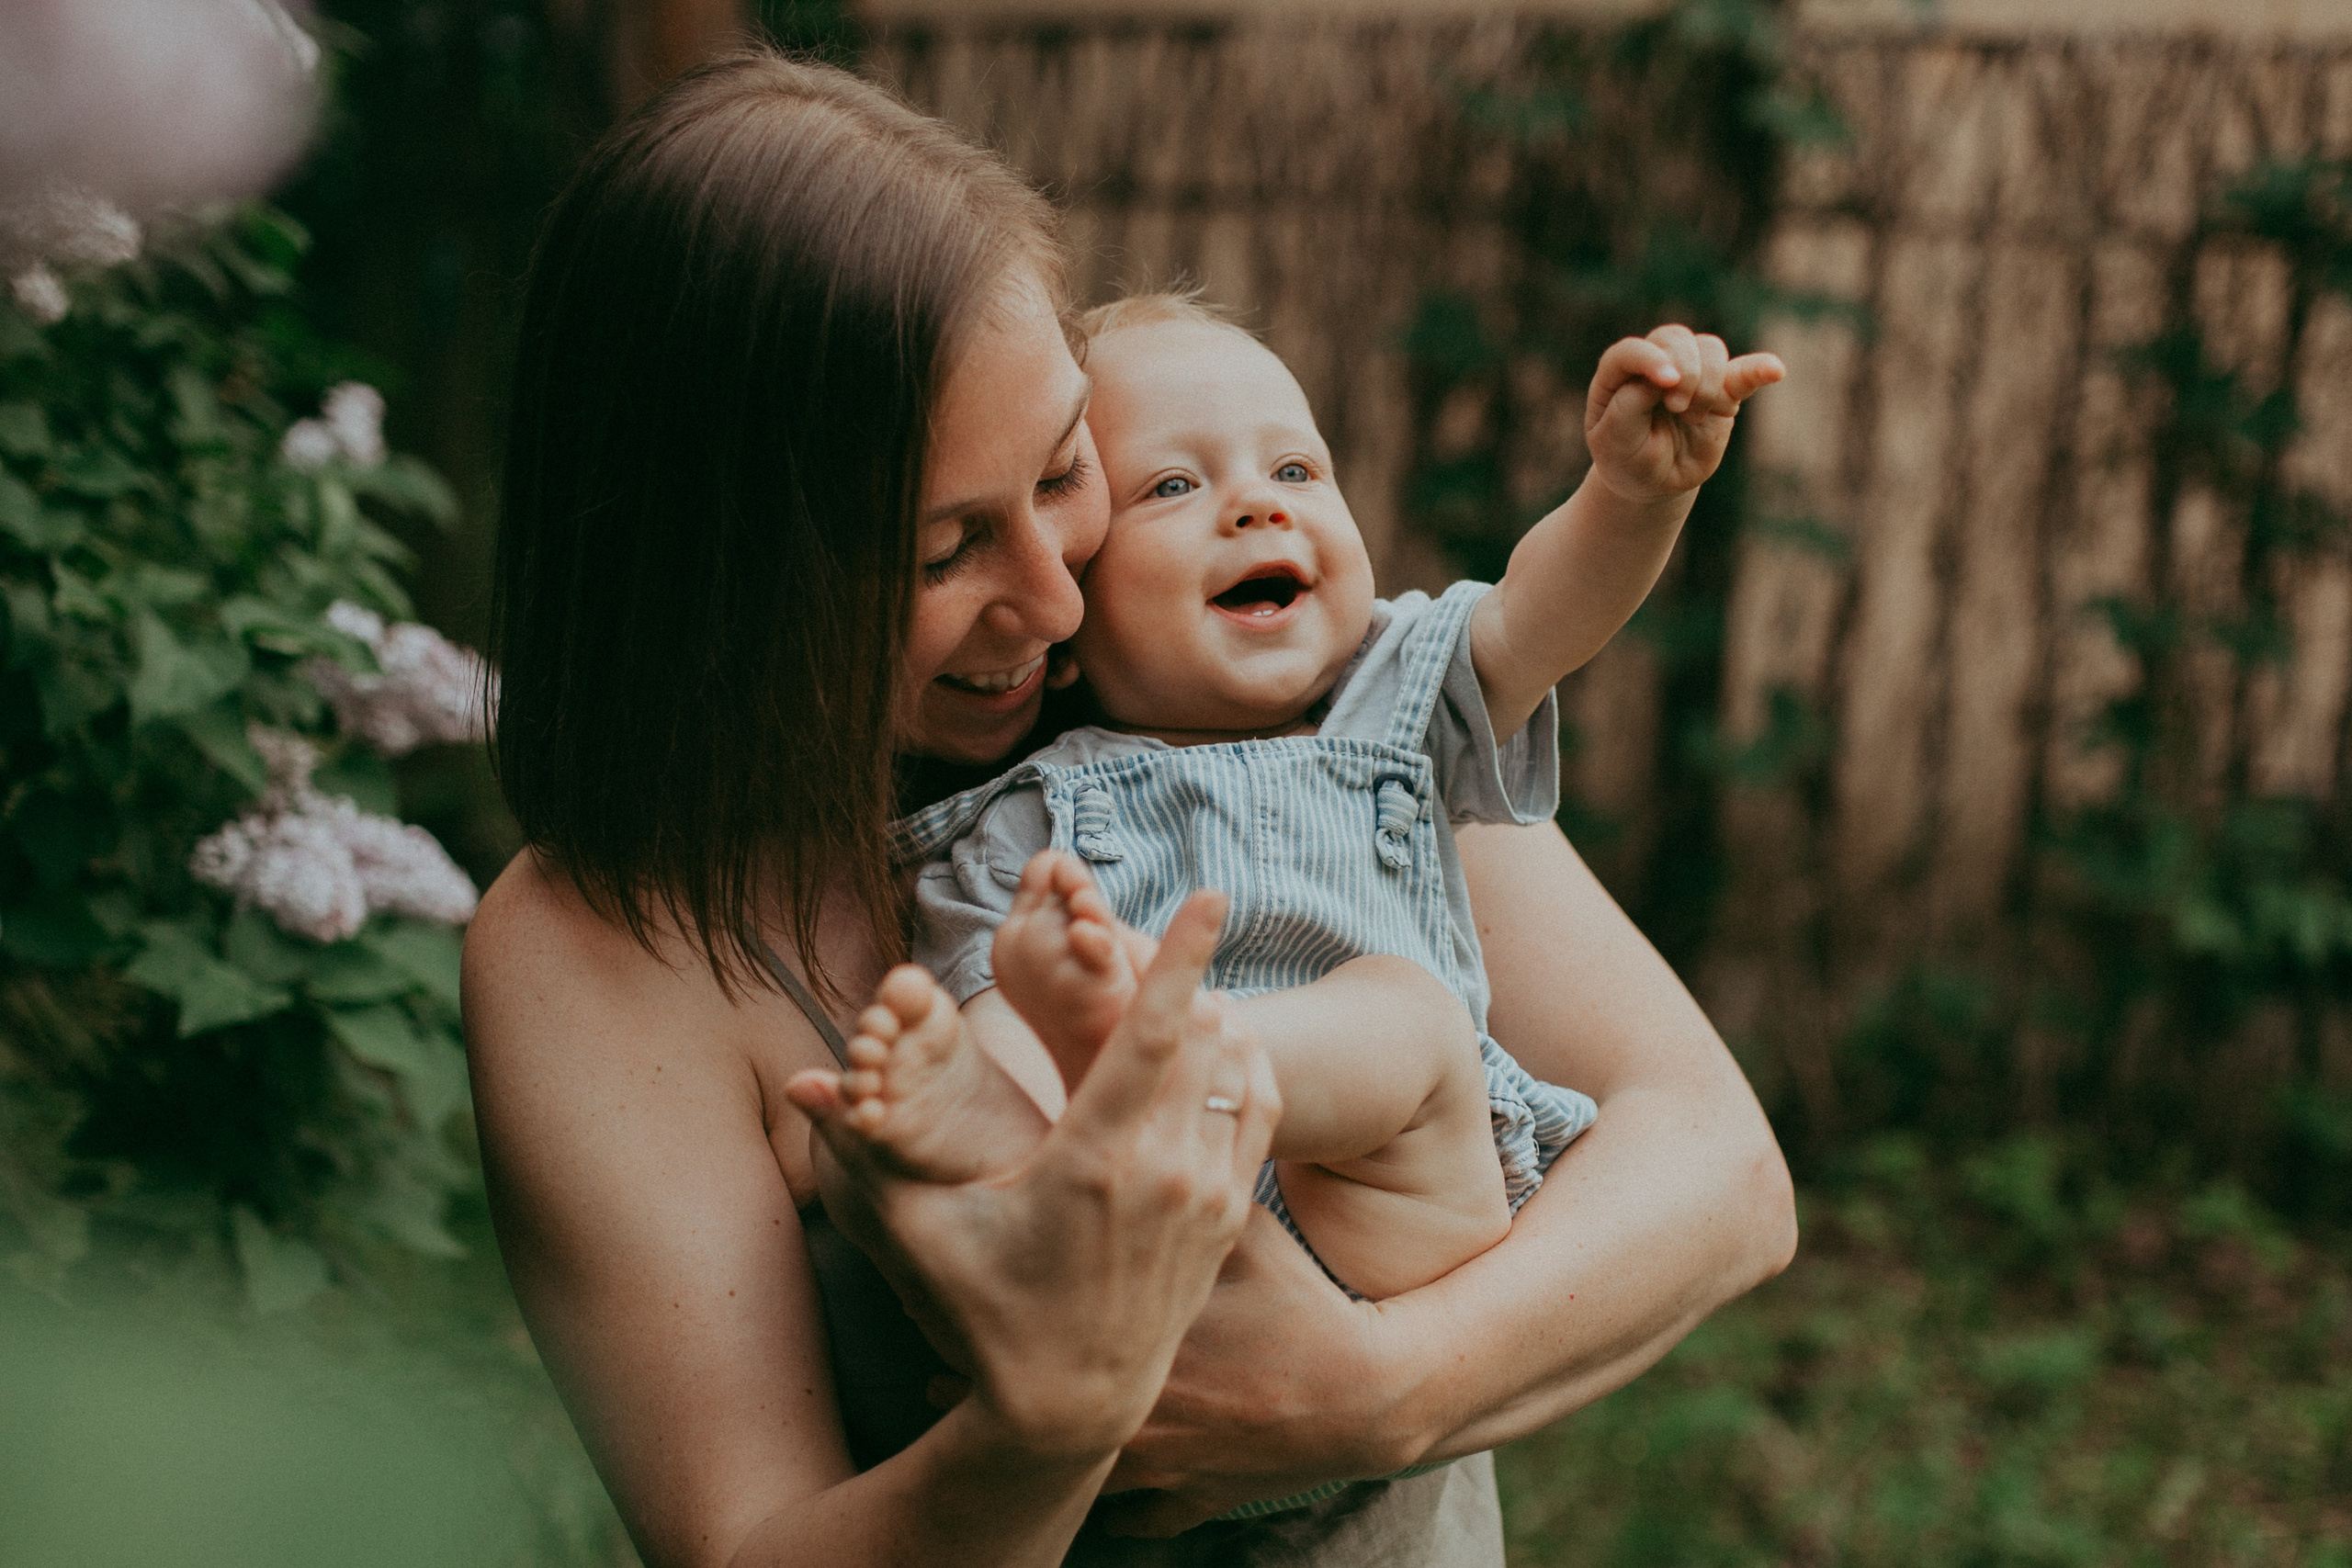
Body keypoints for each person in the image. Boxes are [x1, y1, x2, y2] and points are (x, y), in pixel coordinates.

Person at [462, 49, 1797, 1568]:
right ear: (718, 583)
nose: (1049, 596)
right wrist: (1049, 1424)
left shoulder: (1269, 710)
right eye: (942, 551)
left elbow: (1717, 1171)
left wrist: (1360, 1391)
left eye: (1065, 474)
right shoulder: (593, 952)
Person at [792, 290, 1780, 1318]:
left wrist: (1632, 494)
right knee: (1001, 1010)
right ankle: (984, 1145)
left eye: (1295, 470)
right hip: (1146, 1254)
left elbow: (1539, 611)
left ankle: (1172, 1046)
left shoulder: (1393, 697)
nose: (1259, 505)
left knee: (1406, 1015)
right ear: (1066, 620)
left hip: (1387, 1221)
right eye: (1172, 486)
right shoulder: (1022, 822)